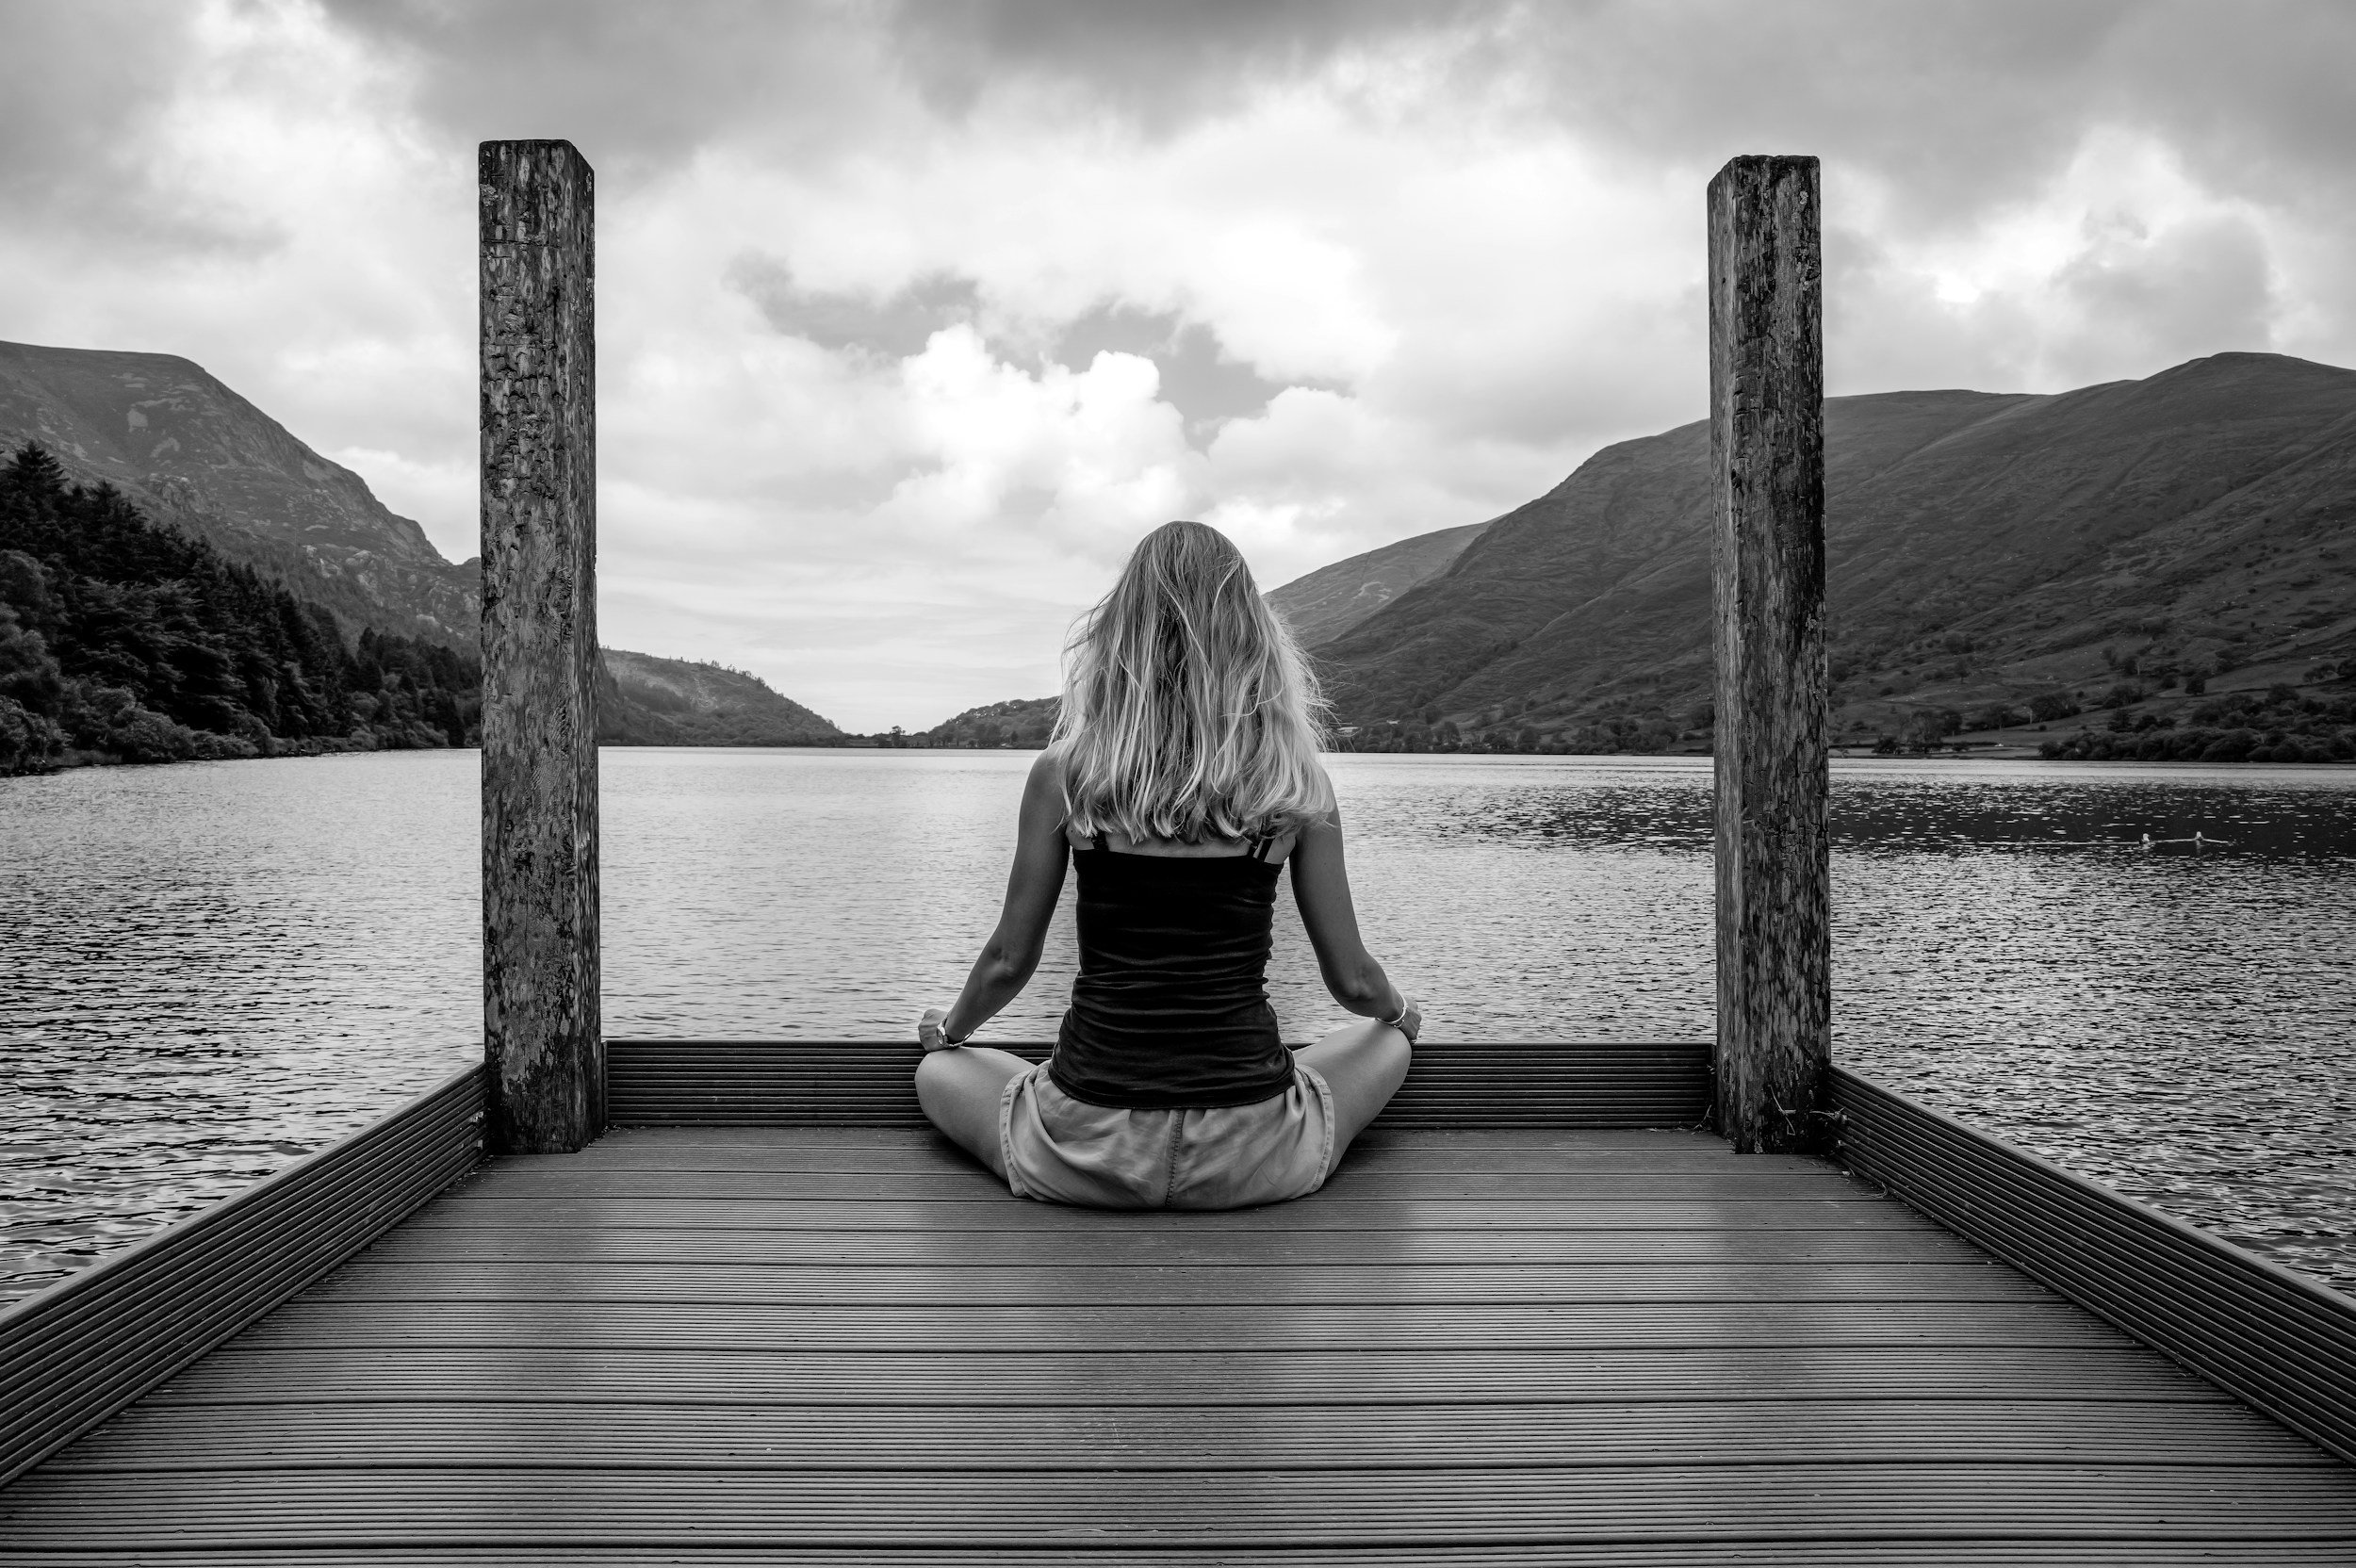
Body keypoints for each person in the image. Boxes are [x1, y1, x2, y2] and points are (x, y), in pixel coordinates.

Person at [912, 520, 1418, 1209]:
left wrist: (948, 1031)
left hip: (1086, 1147)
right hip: (1254, 1150)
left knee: (944, 1071)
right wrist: (1403, 1013)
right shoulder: (1293, 784)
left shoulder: (1067, 773)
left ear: (1122, 637)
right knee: (1382, 1042)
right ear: (1253, 640)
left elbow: (1007, 960)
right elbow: (1356, 982)